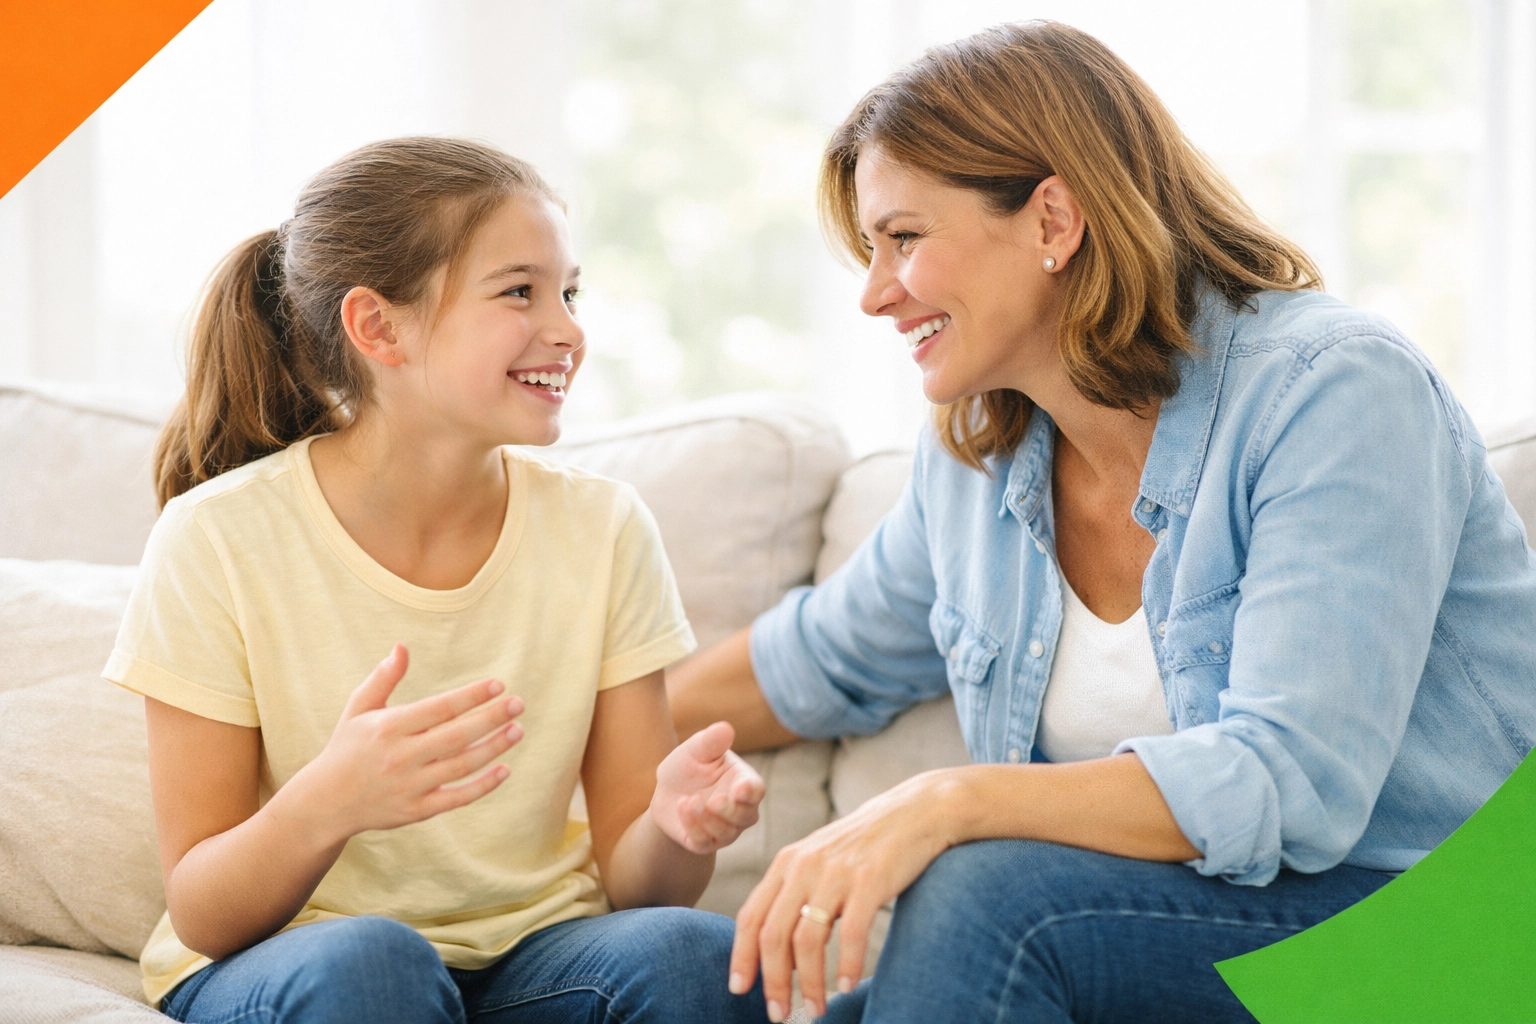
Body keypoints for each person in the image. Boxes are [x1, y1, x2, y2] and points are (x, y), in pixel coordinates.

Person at [668, 21, 1536, 1024]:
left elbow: (1291, 780)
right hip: (1201, 935)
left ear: (1053, 220)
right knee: (717, 987)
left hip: (1457, 929)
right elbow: (818, 662)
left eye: (904, 239)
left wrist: (945, 802)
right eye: (871, 250)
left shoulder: (1334, 390)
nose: (873, 294)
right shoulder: (976, 461)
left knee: (985, 899)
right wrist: (564, 727)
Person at [106, 137, 770, 1024]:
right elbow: (205, 910)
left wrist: (677, 830)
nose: (568, 328)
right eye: (519, 292)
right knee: (376, 966)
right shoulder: (217, 538)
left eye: (569, 292)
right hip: (300, 962)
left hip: (535, 960)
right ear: (379, 327)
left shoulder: (603, 529)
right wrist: (327, 803)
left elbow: (642, 886)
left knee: (696, 954)